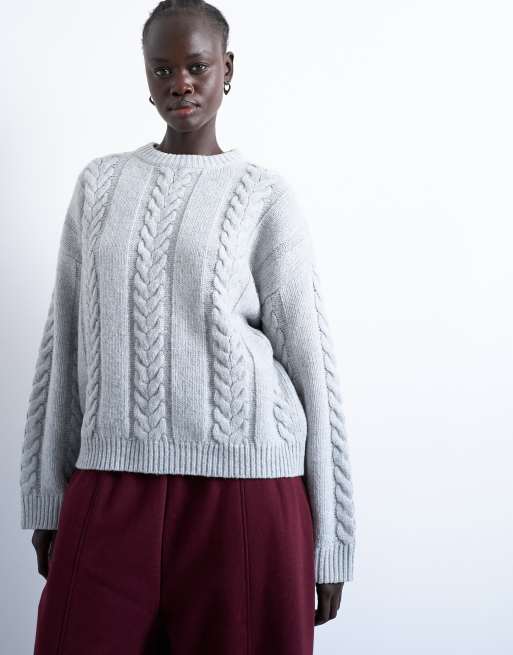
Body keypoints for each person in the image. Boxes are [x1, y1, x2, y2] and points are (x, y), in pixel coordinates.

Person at [19, 1, 357, 653]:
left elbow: (310, 364)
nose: (181, 83)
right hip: (110, 480)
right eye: (163, 69)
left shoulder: (264, 196)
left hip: (247, 490)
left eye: (197, 66)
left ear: (226, 69)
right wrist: (46, 494)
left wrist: (334, 538)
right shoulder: (99, 186)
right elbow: (65, 347)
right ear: (145, 78)